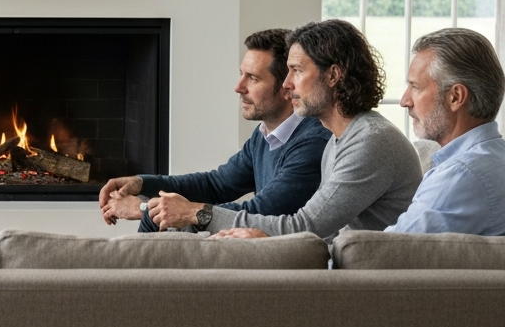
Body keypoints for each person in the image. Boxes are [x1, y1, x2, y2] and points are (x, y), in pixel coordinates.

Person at [188, 19, 421, 243]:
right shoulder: (339, 138)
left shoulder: (370, 140)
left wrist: (198, 214)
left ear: (332, 75)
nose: (287, 84)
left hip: (365, 278)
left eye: (296, 70)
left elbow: (304, 227)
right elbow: (320, 231)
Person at [100, 29, 331, 231]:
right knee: (156, 221)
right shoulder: (265, 135)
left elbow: (260, 213)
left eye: (253, 78)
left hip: (282, 257)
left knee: (154, 220)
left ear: (286, 87)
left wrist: (146, 208)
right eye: (242, 74)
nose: (239, 87)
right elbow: (215, 185)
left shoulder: (312, 141)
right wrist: (142, 183)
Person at [386, 28, 505, 235]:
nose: (405, 101)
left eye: (415, 87)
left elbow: (387, 251)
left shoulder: (462, 175)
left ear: (456, 97)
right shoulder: (496, 156)